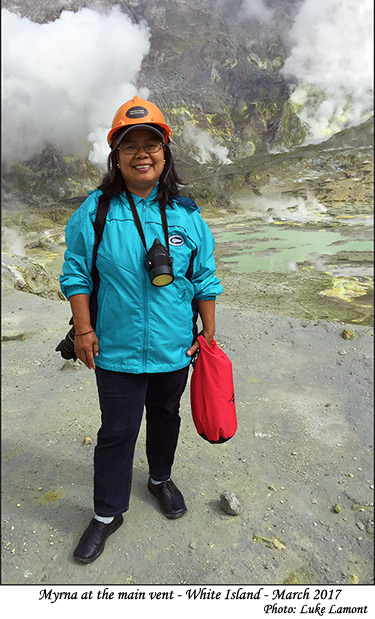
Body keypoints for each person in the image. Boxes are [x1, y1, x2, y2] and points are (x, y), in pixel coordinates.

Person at [59, 95, 223, 564]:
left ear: (166, 153)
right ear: (117, 156)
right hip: (115, 348)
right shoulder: (95, 211)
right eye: (130, 146)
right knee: (116, 432)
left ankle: (159, 480)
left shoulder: (187, 214)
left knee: (166, 417)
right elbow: (76, 274)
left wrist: (207, 333)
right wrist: (84, 330)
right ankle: (108, 514)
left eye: (152, 144)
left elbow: (205, 277)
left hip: (175, 347)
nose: (142, 153)